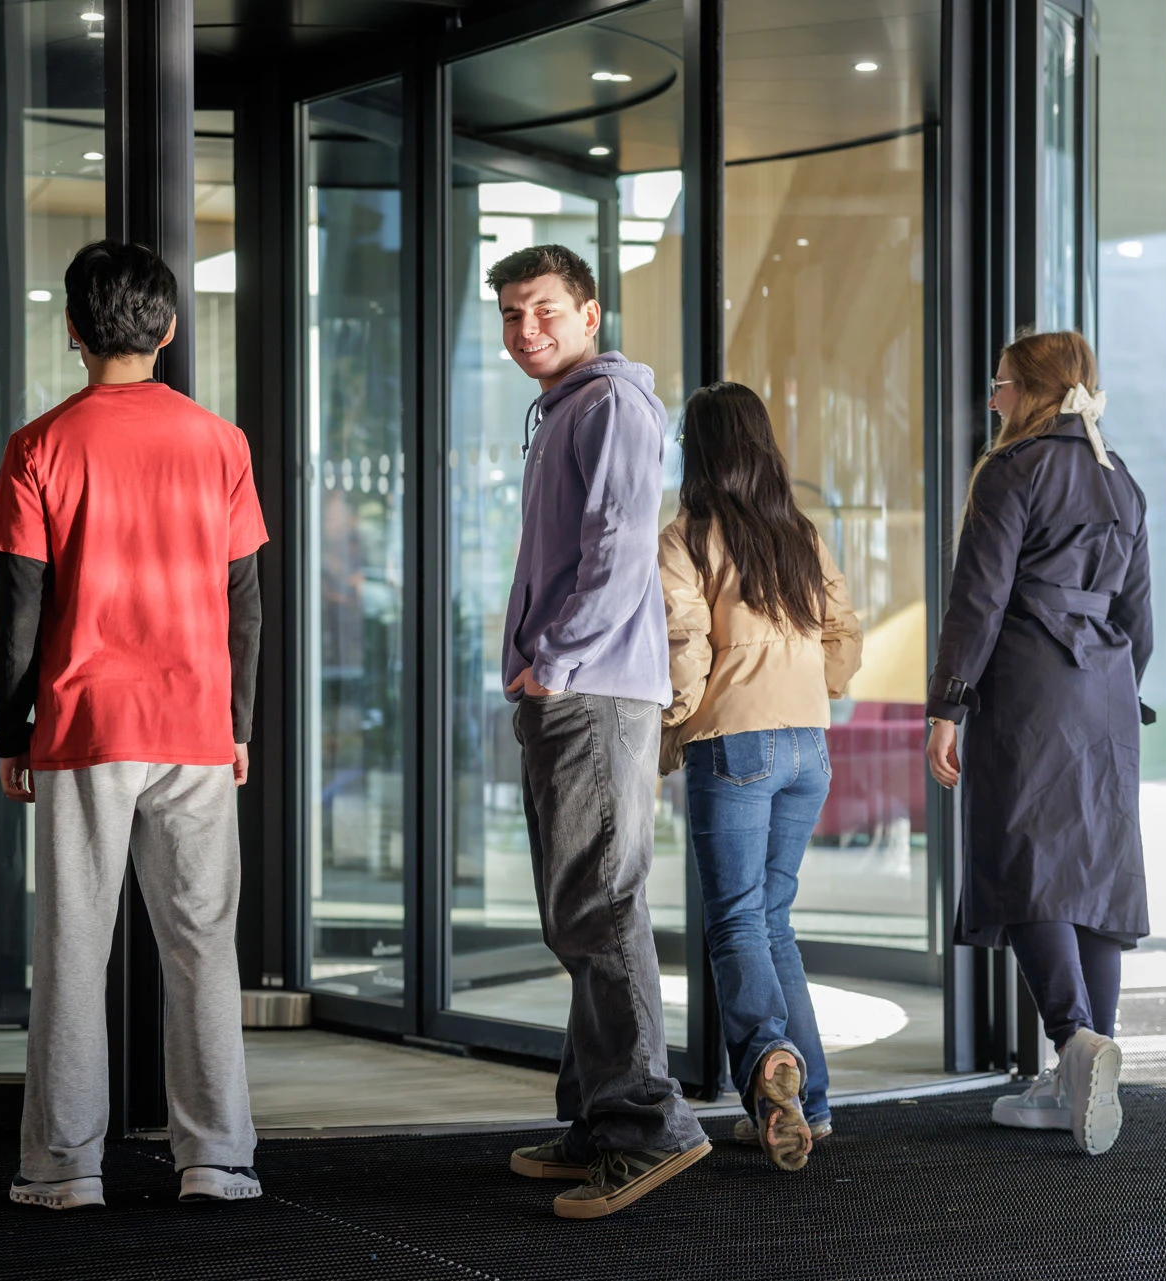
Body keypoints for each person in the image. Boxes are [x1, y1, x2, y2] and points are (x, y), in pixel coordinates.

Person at [0, 241, 267, 1209]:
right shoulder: (220, 443)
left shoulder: (40, 445)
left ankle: (65, 1171)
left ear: (71, 329)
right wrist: (237, 722)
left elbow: (19, 606)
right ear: (170, 329)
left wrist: (10, 730)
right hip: (193, 723)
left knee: (72, 947)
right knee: (203, 943)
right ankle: (217, 1160)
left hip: (84, 723)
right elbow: (245, 601)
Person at [489, 243, 711, 1220]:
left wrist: (558, 659)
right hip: (571, 692)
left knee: (601, 904)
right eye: (509, 315)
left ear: (589, 311)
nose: (524, 329)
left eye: (542, 310)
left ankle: (648, 1125)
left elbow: (619, 544)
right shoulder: (566, 410)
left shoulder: (614, 404)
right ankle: (595, 1121)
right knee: (577, 911)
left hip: (595, 692)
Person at [925, 330, 1153, 1157]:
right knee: (1094, 873)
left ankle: (1073, 1040)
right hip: (1107, 690)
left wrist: (948, 704)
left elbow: (977, 600)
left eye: (1000, 384)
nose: (992, 399)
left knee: (1023, 862)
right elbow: (1141, 619)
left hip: (1027, 685)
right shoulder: (1120, 478)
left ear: (1029, 391)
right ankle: (1083, 1066)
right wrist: (1119, 686)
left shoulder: (1011, 472)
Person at [658, 382, 863, 1172]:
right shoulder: (799, 534)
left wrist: (677, 722)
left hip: (734, 744)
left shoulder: (687, 537)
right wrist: (815, 690)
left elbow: (686, 645)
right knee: (774, 919)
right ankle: (810, 1105)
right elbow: (842, 632)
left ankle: (771, 1062)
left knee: (736, 921)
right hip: (810, 742)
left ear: (697, 451)